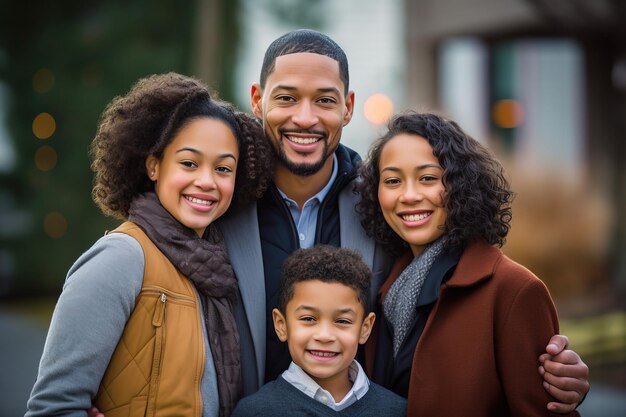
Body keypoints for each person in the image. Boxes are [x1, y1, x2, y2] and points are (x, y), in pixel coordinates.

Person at [217, 29, 589, 413]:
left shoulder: (377, 208)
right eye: (287, 98)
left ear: (347, 107)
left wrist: (555, 375)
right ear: (258, 101)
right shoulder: (219, 203)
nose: (306, 117)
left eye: (324, 100)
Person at [25, 72, 273, 417]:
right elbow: (52, 407)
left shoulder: (218, 271)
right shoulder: (121, 259)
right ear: (154, 166)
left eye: (223, 169)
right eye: (189, 163)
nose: (207, 182)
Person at [355, 111, 584, 416]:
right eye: (393, 180)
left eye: (428, 178)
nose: (409, 195)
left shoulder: (514, 290)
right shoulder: (383, 287)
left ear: (461, 185)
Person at [231, 245, 406, 417]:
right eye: (308, 319)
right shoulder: (255, 411)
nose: (324, 336)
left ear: (364, 328)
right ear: (281, 325)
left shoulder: (397, 410)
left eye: (342, 321)